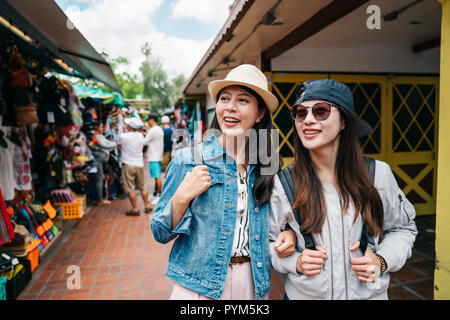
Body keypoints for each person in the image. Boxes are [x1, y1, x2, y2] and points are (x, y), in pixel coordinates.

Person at [150, 64, 296, 300]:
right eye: (224, 98)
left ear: (260, 114)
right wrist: (181, 198)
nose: (230, 107)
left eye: (243, 100)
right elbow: (159, 232)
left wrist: (289, 233)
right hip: (198, 287)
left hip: (253, 284)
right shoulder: (188, 160)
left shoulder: (268, 166)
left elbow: (279, 220)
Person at [269, 79, 418, 300]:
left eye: (321, 111)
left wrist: (381, 260)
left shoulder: (377, 174)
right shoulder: (283, 183)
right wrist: (295, 261)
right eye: (300, 113)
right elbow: (267, 242)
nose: (308, 120)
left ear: (343, 122)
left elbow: (403, 228)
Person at [117, 117, 153, 216]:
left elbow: (119, 145)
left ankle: (135, 209)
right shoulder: (140, 136)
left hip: (128, 164)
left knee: (130, 188)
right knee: (143, 187)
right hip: (139, 164)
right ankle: (146, 206)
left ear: (129, 126)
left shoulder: (122, 136)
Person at [145, 113, 164, 205]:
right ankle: (157, 194)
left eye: (148, 120)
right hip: (158, 155)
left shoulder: (153, 130)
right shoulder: (158, 129)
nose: (148, 122)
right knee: (157, 176)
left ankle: (161, 196)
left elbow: (144, 141)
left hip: (154, 156)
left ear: (152, 120)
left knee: (157, 177)